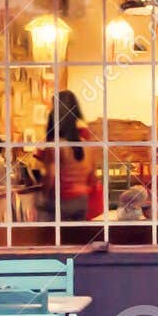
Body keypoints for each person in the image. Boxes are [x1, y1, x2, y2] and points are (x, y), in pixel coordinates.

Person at [36, 89, 101, 222]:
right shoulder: (86, 145)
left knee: (53, 240)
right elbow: (92, 176)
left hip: (62, 200)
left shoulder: (56, 145)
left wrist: (42, 197)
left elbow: (51, 176)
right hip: (82, 200)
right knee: (76, 240)